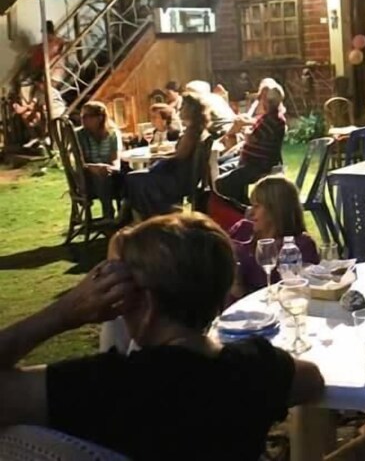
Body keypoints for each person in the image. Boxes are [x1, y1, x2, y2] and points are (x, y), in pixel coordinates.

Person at [0, 214, 324, 459]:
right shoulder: (256, 368)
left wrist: (64, 312)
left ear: (147, 302)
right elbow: (312, 379)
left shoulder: (108, 385)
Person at [228, 176, 320, 295]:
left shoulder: (299, 246)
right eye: (251, 205)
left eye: (257, 206)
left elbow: (300, 292)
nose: (251, 212)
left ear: (275, 210)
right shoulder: (242, 231)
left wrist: (238, 287)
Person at [127, 93, 210, 218]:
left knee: (132, 178)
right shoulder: (197, 129)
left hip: (177, 181)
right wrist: (164, 155)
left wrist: (160, 158)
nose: (180, 109)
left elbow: (179, 157)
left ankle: (148, 216)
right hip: (182, 177)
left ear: (191, 110)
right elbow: (180, 154)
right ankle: (145, 214)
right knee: (135, 178)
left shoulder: (191, 132)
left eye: (183, 106)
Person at [217, 81, 287, 205]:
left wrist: (246, 130)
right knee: (221, 168)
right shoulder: (269, 118)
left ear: (267, 102)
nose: (259, 100)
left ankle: (239, 206)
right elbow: (256, 131)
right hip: (251, 161)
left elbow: (252, 137)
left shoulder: (271, 119)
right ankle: (239, 202)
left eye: (262, 98)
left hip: (258, 165)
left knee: (223, 182)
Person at [76, 101, 124, 219]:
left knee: (127, 176)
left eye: (87, 116)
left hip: (109, 171)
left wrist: (111, 168)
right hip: (87, 176)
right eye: (82, 116)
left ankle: (126, 214)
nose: (83, 119)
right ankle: (108, 215)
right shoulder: (79, 135)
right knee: (101, 177)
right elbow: (78, 161)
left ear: (100, 117)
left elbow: (115, 158)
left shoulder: (112, 133)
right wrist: (93, 167)